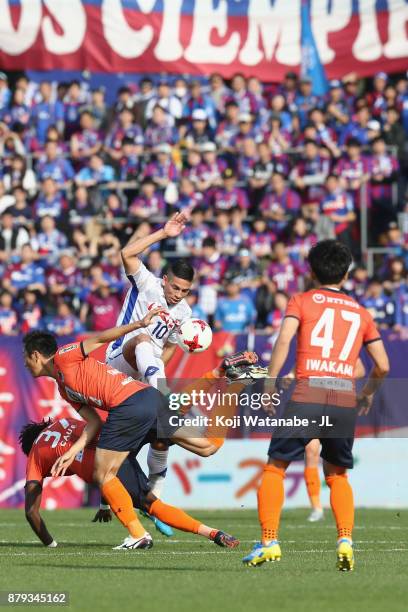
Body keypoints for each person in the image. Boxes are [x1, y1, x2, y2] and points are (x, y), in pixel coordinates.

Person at [243, 240, 389, 570]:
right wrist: (367, 393)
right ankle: (346, 540)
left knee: (274, 468)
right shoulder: (361, 312)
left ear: (310, 271)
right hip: (342, 397)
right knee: (338, 476)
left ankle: (269, 541)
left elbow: (284, 339)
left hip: (307, 393)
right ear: (347, 272)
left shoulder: (302, 301)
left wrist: (268, 383)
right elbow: (382, 365)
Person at [23, 308, 166, 550]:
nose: (25, 364)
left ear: (35, 355)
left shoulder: (65, 356)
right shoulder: (62, 389)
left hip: (130, 404)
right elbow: (94, 423)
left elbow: (101, 338)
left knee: (107, 475)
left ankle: (141, 528)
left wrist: (139, 324)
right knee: (203, 447)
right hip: (127, 411)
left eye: (25, 358)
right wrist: (71, 452)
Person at [20, 416, 239, 551]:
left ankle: (139, 535)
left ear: (30, 447)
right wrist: (105, 505)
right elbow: (94, 438)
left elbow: (31, 512)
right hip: (120, 436)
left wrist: (51, 545)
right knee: (184, 444)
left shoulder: (35, 455)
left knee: (149, 504)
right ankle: (214, 533)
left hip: (105, 461)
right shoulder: (61, 423)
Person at [105, 212, 193, 501]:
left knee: (160, 437)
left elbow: (168, 346)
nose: (178, 294)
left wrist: (154, 372)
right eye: (175, 287)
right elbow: (126, 252)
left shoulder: (185, 313)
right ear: (165, 280)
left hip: (145, 372)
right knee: (142, 339)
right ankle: (163, 398)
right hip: (119, 359)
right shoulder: (148, 283)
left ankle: (157, 485)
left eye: (185, 290)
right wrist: (163, 234)